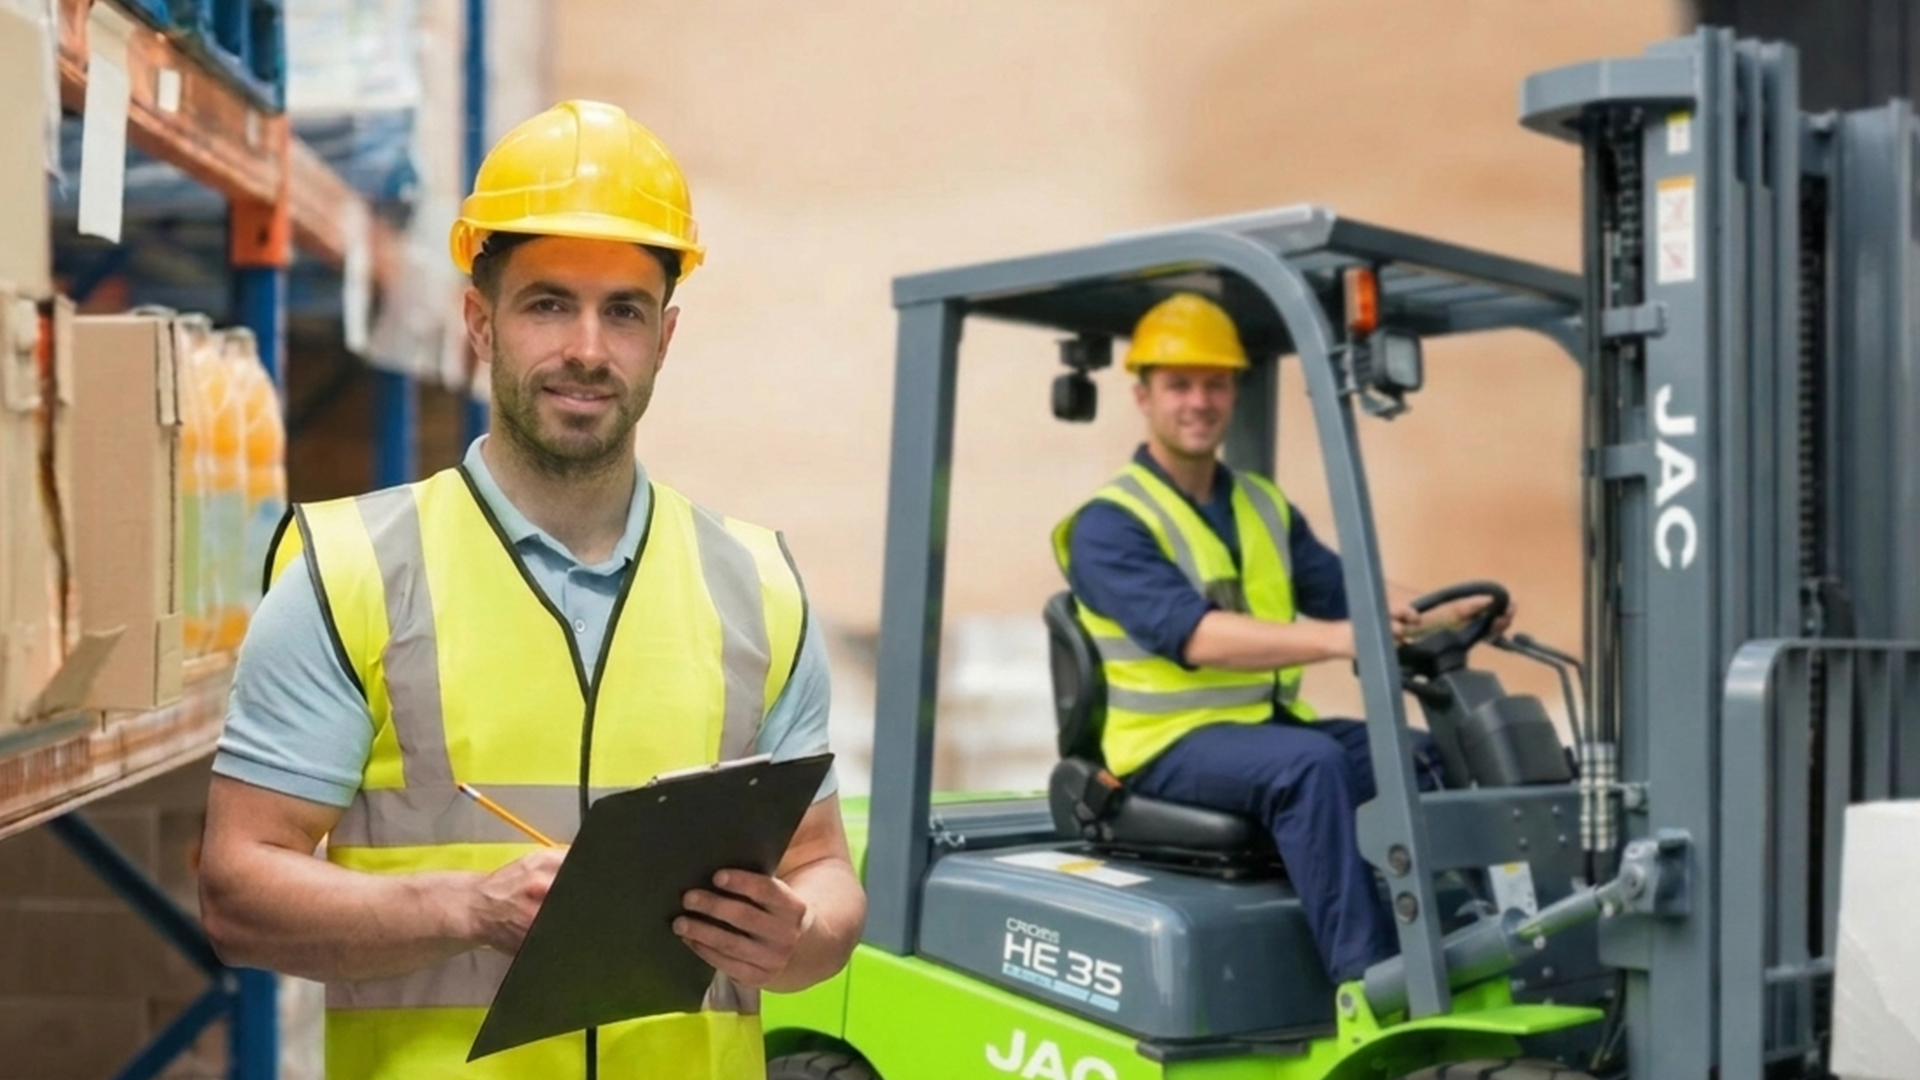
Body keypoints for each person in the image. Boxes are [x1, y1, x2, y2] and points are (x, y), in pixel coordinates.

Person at [197, 100, 865, 1079]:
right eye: (549, 303)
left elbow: (826, 876)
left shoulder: (758, 586)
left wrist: (797, 939)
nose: (587, 349)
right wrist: (467, 908)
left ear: (665, 336)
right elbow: (236, 890)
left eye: (624, 311)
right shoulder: (351, 575)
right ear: (481, 321)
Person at [1051, 292, 1507, 985]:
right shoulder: (1110, 525)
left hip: (1255, 728)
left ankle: (1490, 930)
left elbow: (1349, 590)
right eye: (1180, 384)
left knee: (1421, 753)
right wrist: (1336, 640)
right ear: (1143, 396)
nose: (1199, 401)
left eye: (1215, 383)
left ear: (1233, 390)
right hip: (1161, 749)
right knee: (1308, 766)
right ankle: (1370, 981)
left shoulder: (1258, 503)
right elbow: (1197, 637)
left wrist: (1449, 607)